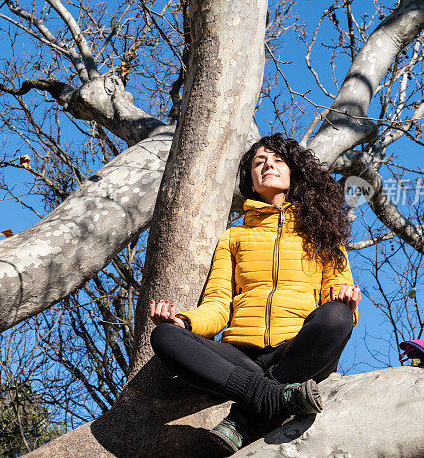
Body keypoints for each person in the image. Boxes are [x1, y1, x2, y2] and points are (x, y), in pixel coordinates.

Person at [149, 133, 361, 453]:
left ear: (294, 173)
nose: (267, 166)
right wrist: (183, 322)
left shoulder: (322, 231)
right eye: (259, 162)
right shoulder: (234, 237)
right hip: (241, 356)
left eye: (277, 160)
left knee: (338, 316)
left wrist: (346, 300)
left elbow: (337, 286)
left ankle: (246, 415)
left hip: (297, 351)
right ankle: (274, 397)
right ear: (250, 178)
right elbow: (218, 304)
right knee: (165, 337)